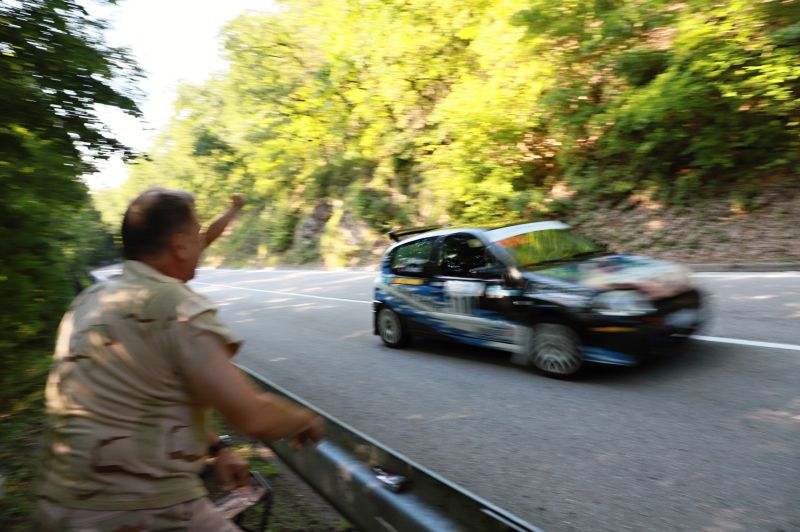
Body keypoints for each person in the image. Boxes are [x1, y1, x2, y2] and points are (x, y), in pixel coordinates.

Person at [33, 188, 324, 531]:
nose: (203, 243)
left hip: (55, 505)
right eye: (197, 233)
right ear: (180, 245)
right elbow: (254, 416)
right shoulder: (176, 306)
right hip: (139, 508)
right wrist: (305, 420)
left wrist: (218, 449)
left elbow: (149, 394)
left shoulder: (88, 302)